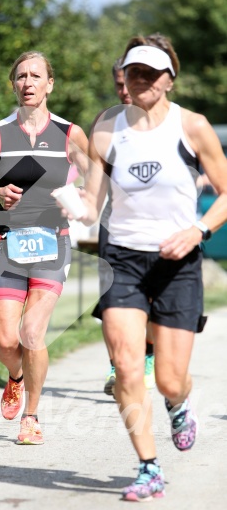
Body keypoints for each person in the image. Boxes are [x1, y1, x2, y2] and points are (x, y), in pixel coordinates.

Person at [82, 33, 227, 500]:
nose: (139, 80)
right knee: (126, 366)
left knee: (167, 378)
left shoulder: (194, 126)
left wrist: (198, 231)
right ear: (123, 76)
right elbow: (92, 200)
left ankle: (179, 403)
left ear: (168, 79)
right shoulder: (105, 126)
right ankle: (148, 467)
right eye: (132, 72)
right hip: (122, 257)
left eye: (149, 73)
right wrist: (75, 208)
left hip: (178, 260)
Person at [0, 51, 88, 444]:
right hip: (8, 245)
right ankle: (15, 377)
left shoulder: (70, 133)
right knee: (6, 342)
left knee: (31, 334)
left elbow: (96, 180)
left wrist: (80, 198)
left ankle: (32, 418)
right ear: (13, 83)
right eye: (20, 76)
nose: (28, 83)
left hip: (53, 244)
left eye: (36, 76)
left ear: (50, 84)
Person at [91, 58, 155, 397]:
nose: (124, 91)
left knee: (148, 296)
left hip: (156, 223)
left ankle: (145, 357)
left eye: (128, 83)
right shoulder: (105, 122)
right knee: (111, 299)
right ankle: (117, 365)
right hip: (112, 221)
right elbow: (92, 171)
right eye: (118, 84)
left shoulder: (163, 120)